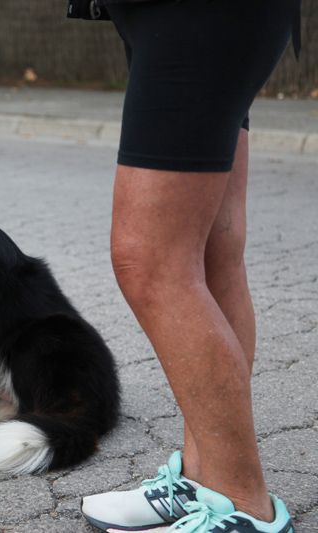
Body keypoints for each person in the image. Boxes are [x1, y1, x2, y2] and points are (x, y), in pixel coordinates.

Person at [76, 1, 302, 532]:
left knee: (150, 260)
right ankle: (208, 482)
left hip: (193, 13)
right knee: (207, 256)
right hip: (172, 16)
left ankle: (243, 503)